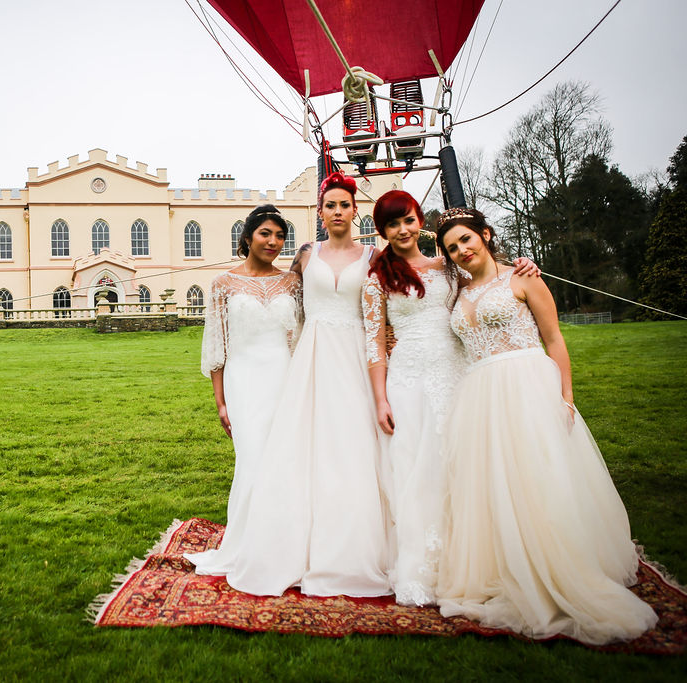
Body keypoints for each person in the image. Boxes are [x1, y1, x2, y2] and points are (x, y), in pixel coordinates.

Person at [434, 207, 657, 644]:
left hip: (526, 386)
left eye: (466, 239)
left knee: (539, 477)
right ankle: (503, 565)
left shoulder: (523, 277)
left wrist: (566, 397)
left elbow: (554, 339)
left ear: (486, 234)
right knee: (493, 484)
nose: (462, 250)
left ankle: (557, 566)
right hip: (479, 394)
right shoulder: (454, 292)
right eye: (452, 247)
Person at [361, 192, 540, 607]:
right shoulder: (378, 279)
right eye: (392, 225)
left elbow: (490, 279)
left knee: (466, 465)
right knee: (417, 469)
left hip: (460, 372)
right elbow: (374, 344)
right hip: (409, 378)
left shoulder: (450, 267)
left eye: (407, 220)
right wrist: (380, 399)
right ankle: (423, 566)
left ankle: (479, 559)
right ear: (382, 232)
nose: (402, 230)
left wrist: (524, 265)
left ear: (419, 221)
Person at [219, 172, 393, 597]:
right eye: (330, 206)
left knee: (352, 444)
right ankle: (294, 537)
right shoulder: (305, 256)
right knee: (306, 446)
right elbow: (274, 290)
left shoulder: (373, 256)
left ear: (356, 211)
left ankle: (354, 542)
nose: (337, 212)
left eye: (344, 205)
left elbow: (415, 276)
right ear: (320, 213)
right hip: (311, 358)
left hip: (352, 356)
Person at [184, 205, 302, 575]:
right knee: (252, 459)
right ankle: (248, 545)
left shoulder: (291, 284)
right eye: (266, 233)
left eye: (280, 236)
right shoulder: (223, 284)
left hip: (285, 377)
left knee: (284, 461)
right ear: (248, 236)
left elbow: (298, 339)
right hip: (243, 380)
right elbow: (216, 345)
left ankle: (287, 543)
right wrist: (220, 402)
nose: (274, 242)